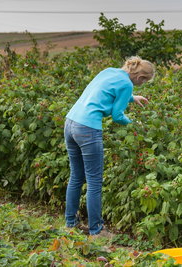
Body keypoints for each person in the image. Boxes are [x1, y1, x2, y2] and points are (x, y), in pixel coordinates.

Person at [64, 56, 155, 236]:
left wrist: (131, 98)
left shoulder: (109, 71)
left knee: (76, 176)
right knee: (94, 181)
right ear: (141, 78)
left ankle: (70, 223)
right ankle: (96, 230)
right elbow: (117, 116)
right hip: (88, 128)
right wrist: (136, 123)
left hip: (71, 122)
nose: (141, 85)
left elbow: (104, 91)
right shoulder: (127, 84)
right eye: (144, 82)